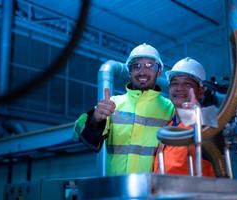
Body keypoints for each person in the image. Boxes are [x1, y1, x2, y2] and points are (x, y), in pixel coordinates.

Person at [74, 43, 174, 175]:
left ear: (159, 72)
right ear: (129, 71)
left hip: (153, 191)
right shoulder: (112, 103)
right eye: (136, 66)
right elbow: (76, 133)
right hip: (118, 188)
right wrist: (94, 119)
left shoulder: (171, 109)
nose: (142, 71)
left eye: (149, 66)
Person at [153, 57, 215, 176]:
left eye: (187, 84)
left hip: (197, 192)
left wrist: (194, 113)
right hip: (166, 191)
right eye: (174, 83)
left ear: (201, 91)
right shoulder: (170, 125)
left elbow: (215, 143)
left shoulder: (208, 119)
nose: (179, 88)